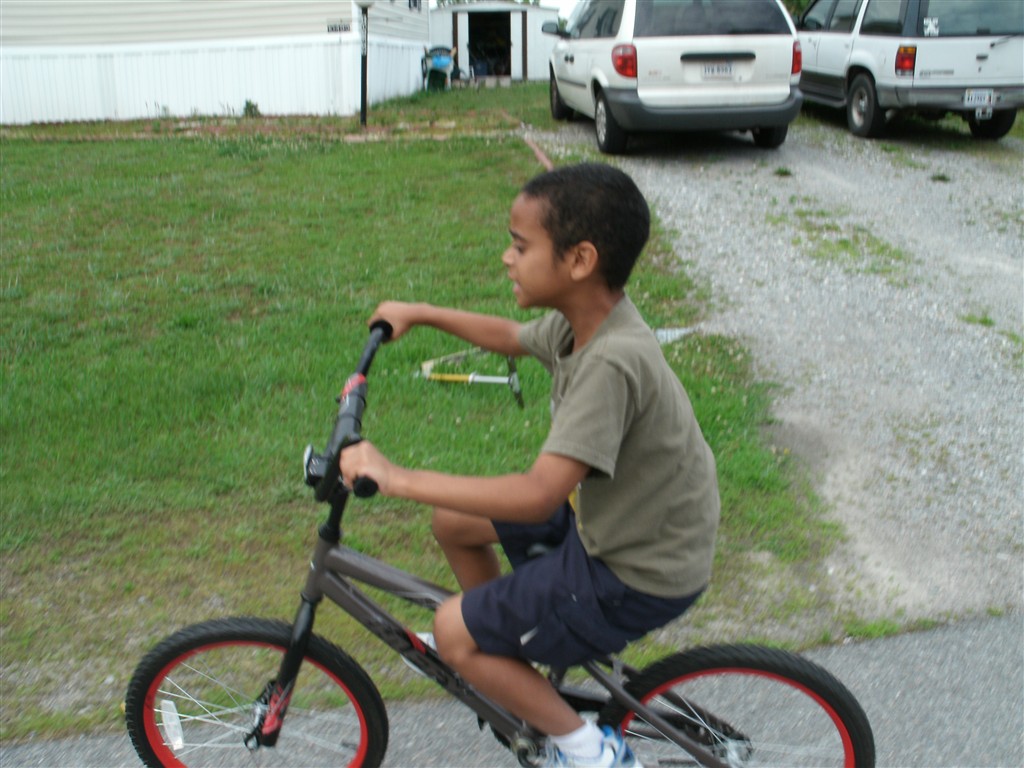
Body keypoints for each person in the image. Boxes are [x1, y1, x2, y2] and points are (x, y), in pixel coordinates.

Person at [340, 162, 720, 768]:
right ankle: (506, 660)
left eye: (521, 246)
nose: (507, 258)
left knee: (453, 632)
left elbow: (539, 494)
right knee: (454, 522)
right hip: (630, 531)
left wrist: (396, 477)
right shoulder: (583, 322)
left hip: (638, 570)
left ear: (580, 260)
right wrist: (422, 311)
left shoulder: (610, 363)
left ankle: (589, 750)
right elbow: (512, 337)